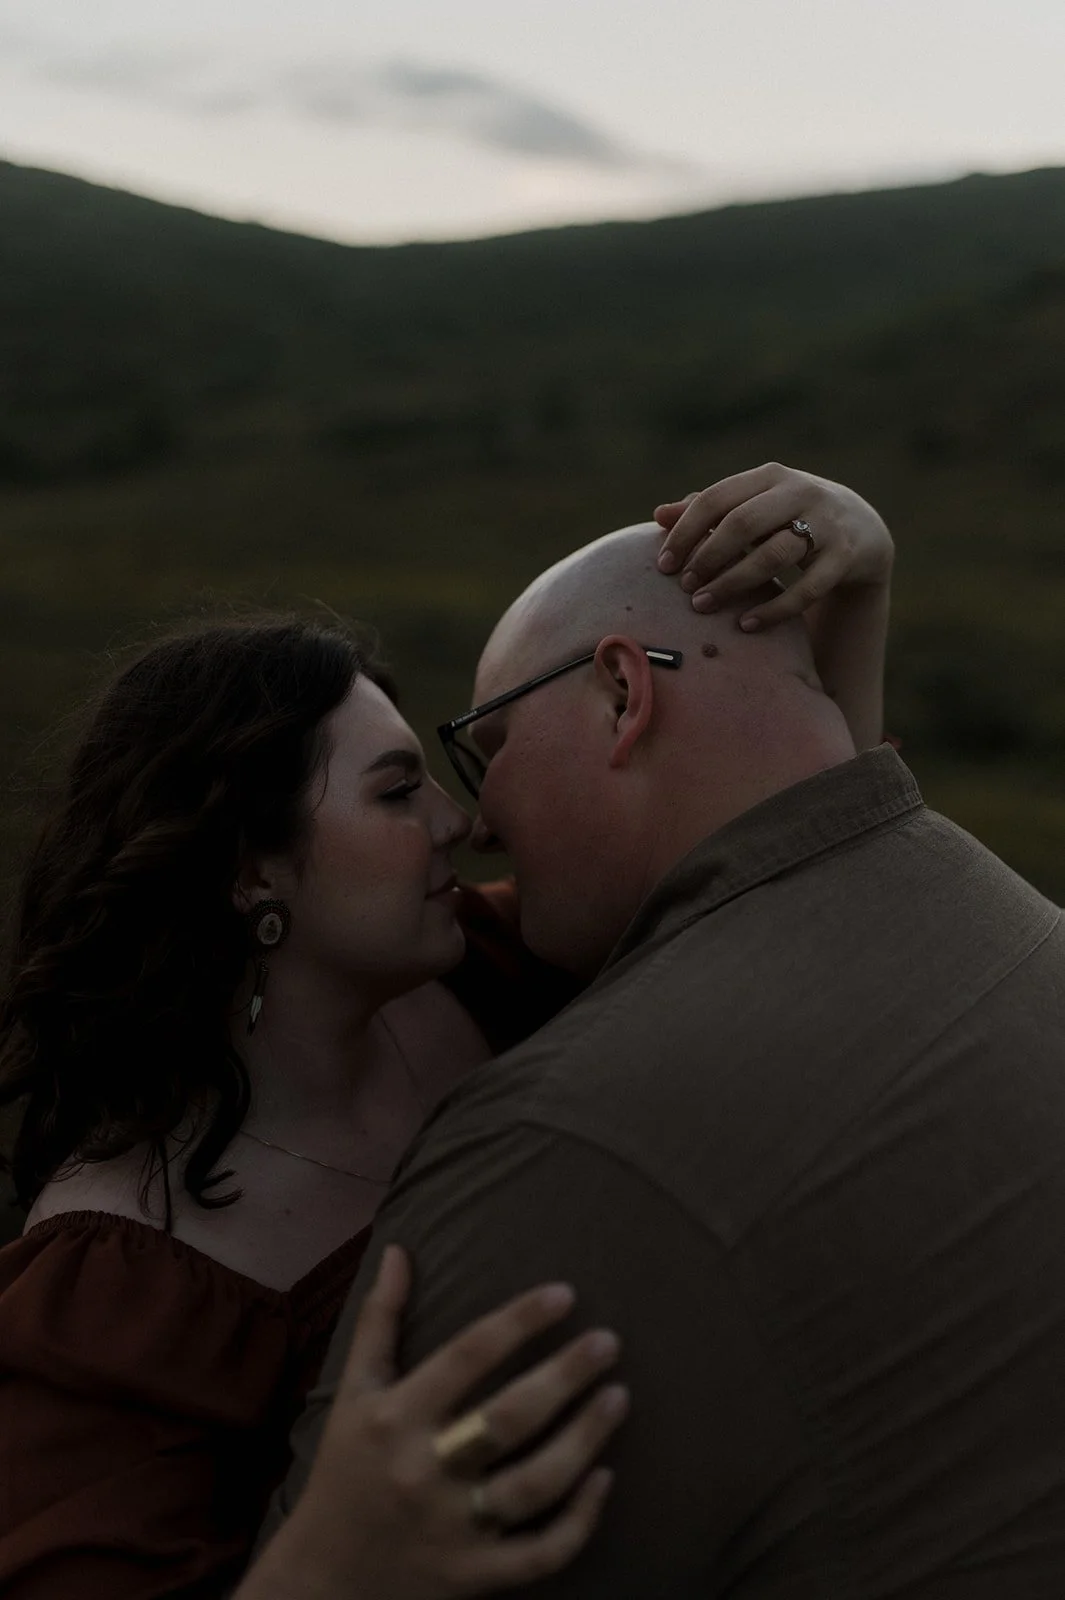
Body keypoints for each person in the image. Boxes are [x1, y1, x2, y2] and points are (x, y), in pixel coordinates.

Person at [0, 464, 894, 1597]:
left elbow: (799, 870)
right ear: (250, 869)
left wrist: (857, 588)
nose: (460, 822)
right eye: (394, 792)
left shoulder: (495, 968)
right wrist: (332, 1561)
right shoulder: (120, 1284)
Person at [255, 489, 1065, 1597]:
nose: (477, 823)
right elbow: (804, 804)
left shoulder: (557, 1144)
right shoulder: (1016, 930)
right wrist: (856, 598)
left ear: (622, 693)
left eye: (489, 749)